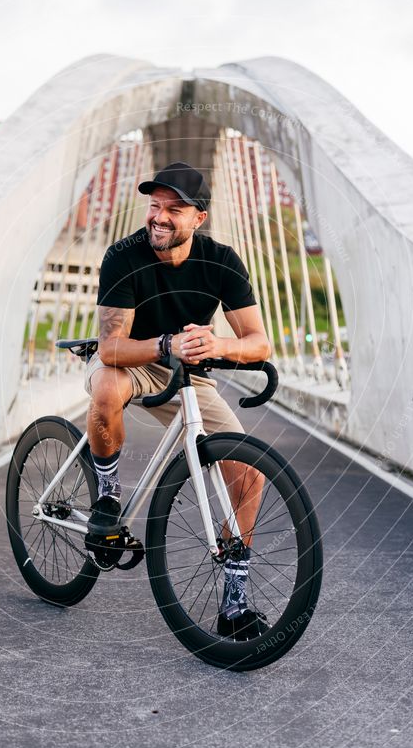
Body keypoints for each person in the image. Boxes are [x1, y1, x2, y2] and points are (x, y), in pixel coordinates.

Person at [84, 161, 272, 639]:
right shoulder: (123, 256)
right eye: (154, 206)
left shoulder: (221, 261)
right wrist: (167, 343)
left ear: (198, 218)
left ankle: (234, 603)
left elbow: (258, 342)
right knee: (106, 386)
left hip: (188, 368)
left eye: (174, 208)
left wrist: (219, 345)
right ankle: (107, 498)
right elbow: (110, 348)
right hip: (132, 358)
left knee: (248, 472)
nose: (159, 217)